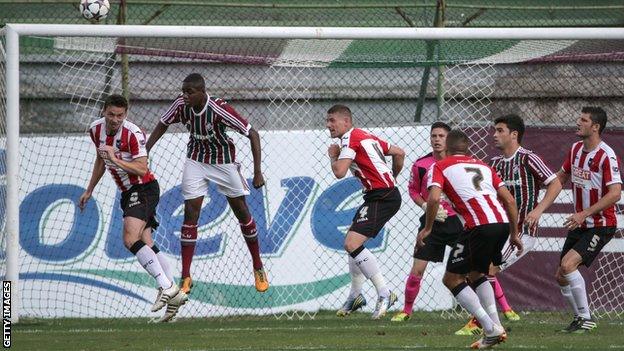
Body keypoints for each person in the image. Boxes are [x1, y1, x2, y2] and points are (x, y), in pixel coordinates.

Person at [146, 73, 269, 296]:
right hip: (196, 160)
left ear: (202, 92)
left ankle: (258, 265)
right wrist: (146, 149)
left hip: (223, 162)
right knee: (190, 213)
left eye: (189, 92)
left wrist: (257, 172)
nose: (184, 96)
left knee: (241, 211)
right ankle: (185, 275)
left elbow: (253, 134)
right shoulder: (180, 105)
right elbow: (162, 123)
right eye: (183, 91)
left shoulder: (219, 109)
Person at [79, 94, 186, 323]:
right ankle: (172, 293)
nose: (116, 119)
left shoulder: (133, 133)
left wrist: (115, 158)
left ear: (126, 114)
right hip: (128, 192)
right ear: (103, 112)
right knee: (146, 243)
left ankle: (168, 288)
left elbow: (141, 168)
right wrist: (90, 189)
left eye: (120, 115)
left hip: (144, 188)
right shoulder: (95, 130)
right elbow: (101, 159)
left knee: (129, 238)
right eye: (111, 114)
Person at [456, 114, 562, 335]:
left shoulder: (528, 158)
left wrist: (538, 210)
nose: (494, 135)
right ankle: (489, 322)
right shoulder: (493, 164)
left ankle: (481, 323)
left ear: (514, 134)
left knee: (486, 270)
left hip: (522, 232)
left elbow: (556, 183)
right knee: (475, 270)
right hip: (498, 229)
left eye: (500, 130)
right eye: (495, 130)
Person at [417, 129, 522, 349]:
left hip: (478, 226)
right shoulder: (484, 166)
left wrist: (427, 228)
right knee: (477, 273)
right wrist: (513, 233)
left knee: (451, 279)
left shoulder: (440, 166)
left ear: (447, 148)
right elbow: (510, 201)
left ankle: (490, 328)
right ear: (467, 148)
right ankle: (494, 324)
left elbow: (434, 198)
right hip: (501, 223)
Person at [326, 104, 405, 319]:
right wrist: (393, 176)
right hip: (380, 195)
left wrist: (333, 156)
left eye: (333, 120)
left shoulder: (349, 139)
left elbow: (340, 172)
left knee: (351, 244)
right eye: (328, 121)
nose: (328, 125)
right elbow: (399, 152)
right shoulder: (366, 136)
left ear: (347, 122)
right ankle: (356, 296)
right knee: (354, 244)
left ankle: (385, 293)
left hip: (382, 196)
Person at [555, 106, 621, 333]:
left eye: (583, 120)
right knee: (561, 275)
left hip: (601, 224)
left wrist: (584, 213)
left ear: (595, 127)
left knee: (568, 265)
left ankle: (586, 318)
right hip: (580, 223)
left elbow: (615, 193)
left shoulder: (606, 155)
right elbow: (561, 177)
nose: (577, 122)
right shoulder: (575, 149)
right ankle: (579, 317)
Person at [391, 122, 463, 322]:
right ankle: (406, 311)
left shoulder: (459, 164)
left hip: (457, 222)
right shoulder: (421, 165)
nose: (437, 139)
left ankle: (503, 307)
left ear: (449, 139)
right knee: (417, 269)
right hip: (431, 222)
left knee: (472, 269)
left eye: (441, 136)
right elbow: (413, 190)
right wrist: (425, 206)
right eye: (434, 136)